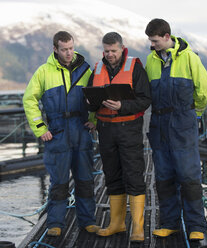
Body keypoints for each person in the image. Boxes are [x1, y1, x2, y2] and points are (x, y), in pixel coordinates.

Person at [23, 31, 100, 237]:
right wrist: (40, 128)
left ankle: (88, 221)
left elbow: (96, 96)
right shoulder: (43, 72)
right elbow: (29, 99)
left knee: (85, 179)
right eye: (64, 49)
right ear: (55, 49)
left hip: (81, 130)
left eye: (71, 48)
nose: (69, 53)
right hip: (57, 132)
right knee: (59, 181)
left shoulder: (85, 70)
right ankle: (55, 223)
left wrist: (93, 120)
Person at [144, 18, 207, 240]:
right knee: (164, 177)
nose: (152, 44)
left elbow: (205, 88)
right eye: (150, 41)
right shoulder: (151, 60)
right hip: (159, 126)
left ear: (167, 37)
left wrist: (196, 113)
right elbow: (145, 92)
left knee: (189, 176)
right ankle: (170, 223)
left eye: (155, 40)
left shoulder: (189, 58)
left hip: (183, 123)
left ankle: (196, 226)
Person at [87, 32, 151, 241]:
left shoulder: (135, 67)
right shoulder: (96, 68)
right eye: (106, 51)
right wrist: (91, 104)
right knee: (112, 175)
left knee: (133, 175)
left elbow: (145, 99)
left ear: (122, 48)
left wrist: (122, 106)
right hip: (105, 130)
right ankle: (117, 223)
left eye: (113, 51)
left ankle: (138, 228)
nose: (109, 55)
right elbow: (88, 97)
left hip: (129, 128)